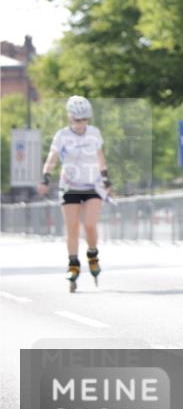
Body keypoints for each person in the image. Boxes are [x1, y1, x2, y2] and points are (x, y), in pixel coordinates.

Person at [36, 96, 112, 291]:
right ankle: (73, 264)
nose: (81, 124)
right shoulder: (62, 135)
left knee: (90, 225)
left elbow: (100, 157)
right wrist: (46, 177)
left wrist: (106, 179)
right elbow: (52, 158)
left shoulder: (94, 133)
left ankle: (92, 254)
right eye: (77, 120)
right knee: (72, 228)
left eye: (85, 119)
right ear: (70, 117)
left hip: (92, 185)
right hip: (70, 186)